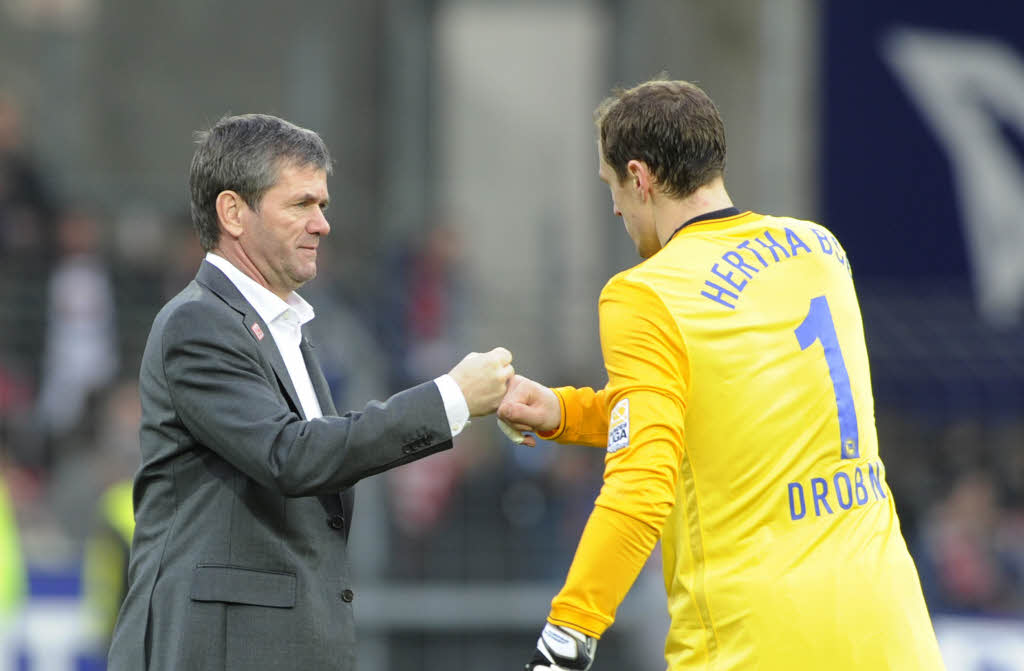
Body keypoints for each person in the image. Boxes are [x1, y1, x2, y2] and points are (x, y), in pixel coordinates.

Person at [498, 79, 946, 670]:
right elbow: (725, 407)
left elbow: (641, 481)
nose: (614, 208)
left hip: (757, 640)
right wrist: (565, 414)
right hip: (891, 629)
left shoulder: (647, 293)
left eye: (611, 187)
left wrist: (568, 634)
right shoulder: (818, 248)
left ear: (640, 177)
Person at [106, 113, 514, 671]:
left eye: (322, 205)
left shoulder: (283, 330)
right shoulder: (198, 324)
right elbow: (291, 455)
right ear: (233, 213)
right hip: (218, 651)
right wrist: (450, 399)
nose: (321, 224)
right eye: (300, 204)